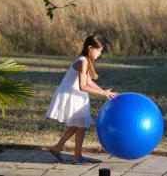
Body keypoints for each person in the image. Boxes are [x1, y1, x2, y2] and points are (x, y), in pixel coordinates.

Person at [45, 34, 117, 165]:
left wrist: (104, 91)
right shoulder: (83, 61)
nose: (100, 53)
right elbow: (82, 86)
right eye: (99, 50)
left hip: (77, 95)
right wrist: (101, 93)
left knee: (81, 125)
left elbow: (88, 81)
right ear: (90, 48)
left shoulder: (85, 60)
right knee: (80, 125)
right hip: (72, 95)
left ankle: (66, 151)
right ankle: (68, 152)